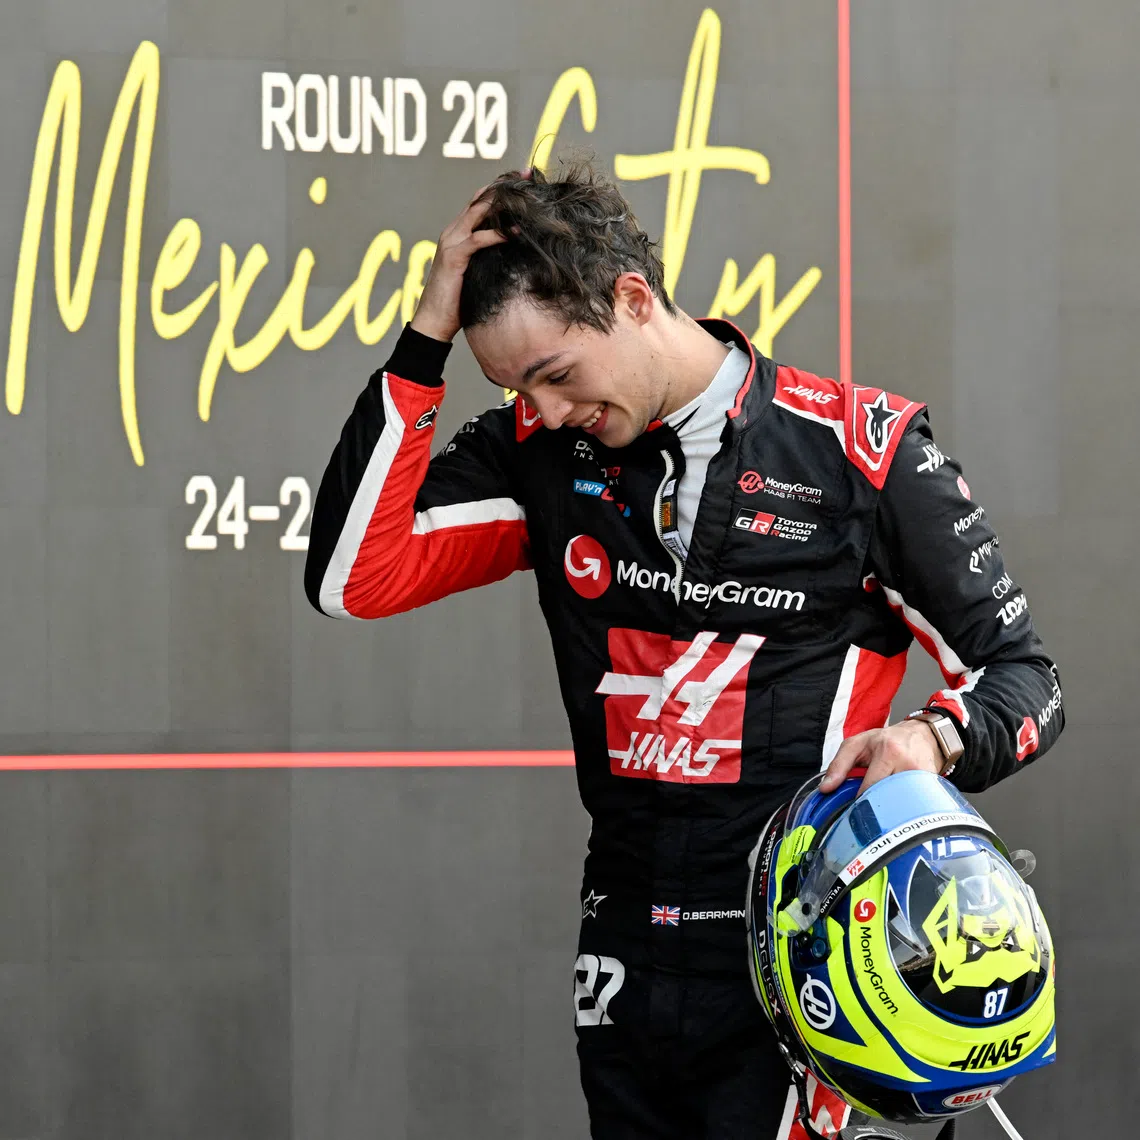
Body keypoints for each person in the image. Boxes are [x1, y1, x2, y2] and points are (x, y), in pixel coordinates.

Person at [304, 164, 1065, 1139]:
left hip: (815, 964)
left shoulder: (861, 451)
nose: (539, 410)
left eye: (555, 374)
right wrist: (427, 333)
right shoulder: (538, 455)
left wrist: (930, 740)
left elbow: (1025, 676)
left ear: (631, 298)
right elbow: (352, 576)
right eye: (514, 388)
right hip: (625, 957)